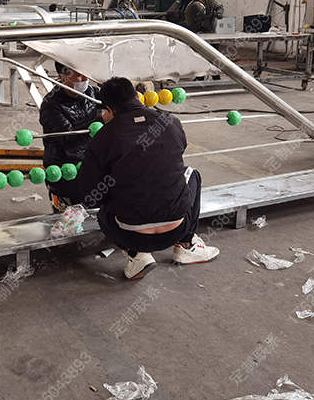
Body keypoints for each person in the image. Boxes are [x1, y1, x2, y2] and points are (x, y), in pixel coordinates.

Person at [78, 77, 219, 279]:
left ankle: (137, 256)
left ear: (108, 109)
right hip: (177, 228)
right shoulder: (170, 122)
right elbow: (176, 153)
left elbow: (90, 194)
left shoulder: (103, 137)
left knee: (103, 210)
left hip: (131, 235)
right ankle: (187, 245)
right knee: (191, 174)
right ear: (138, 97)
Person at [39, 62, 100, 211]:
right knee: (74, 214)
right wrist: (101, 121)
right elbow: (69, 142)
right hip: (65, 168)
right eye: (79, 75)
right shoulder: (51, 105)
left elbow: (114, 101)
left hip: (89, 161)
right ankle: (60, 200)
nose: (85, 78)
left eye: (86, 73)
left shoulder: (91, 93)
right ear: (63, 77)